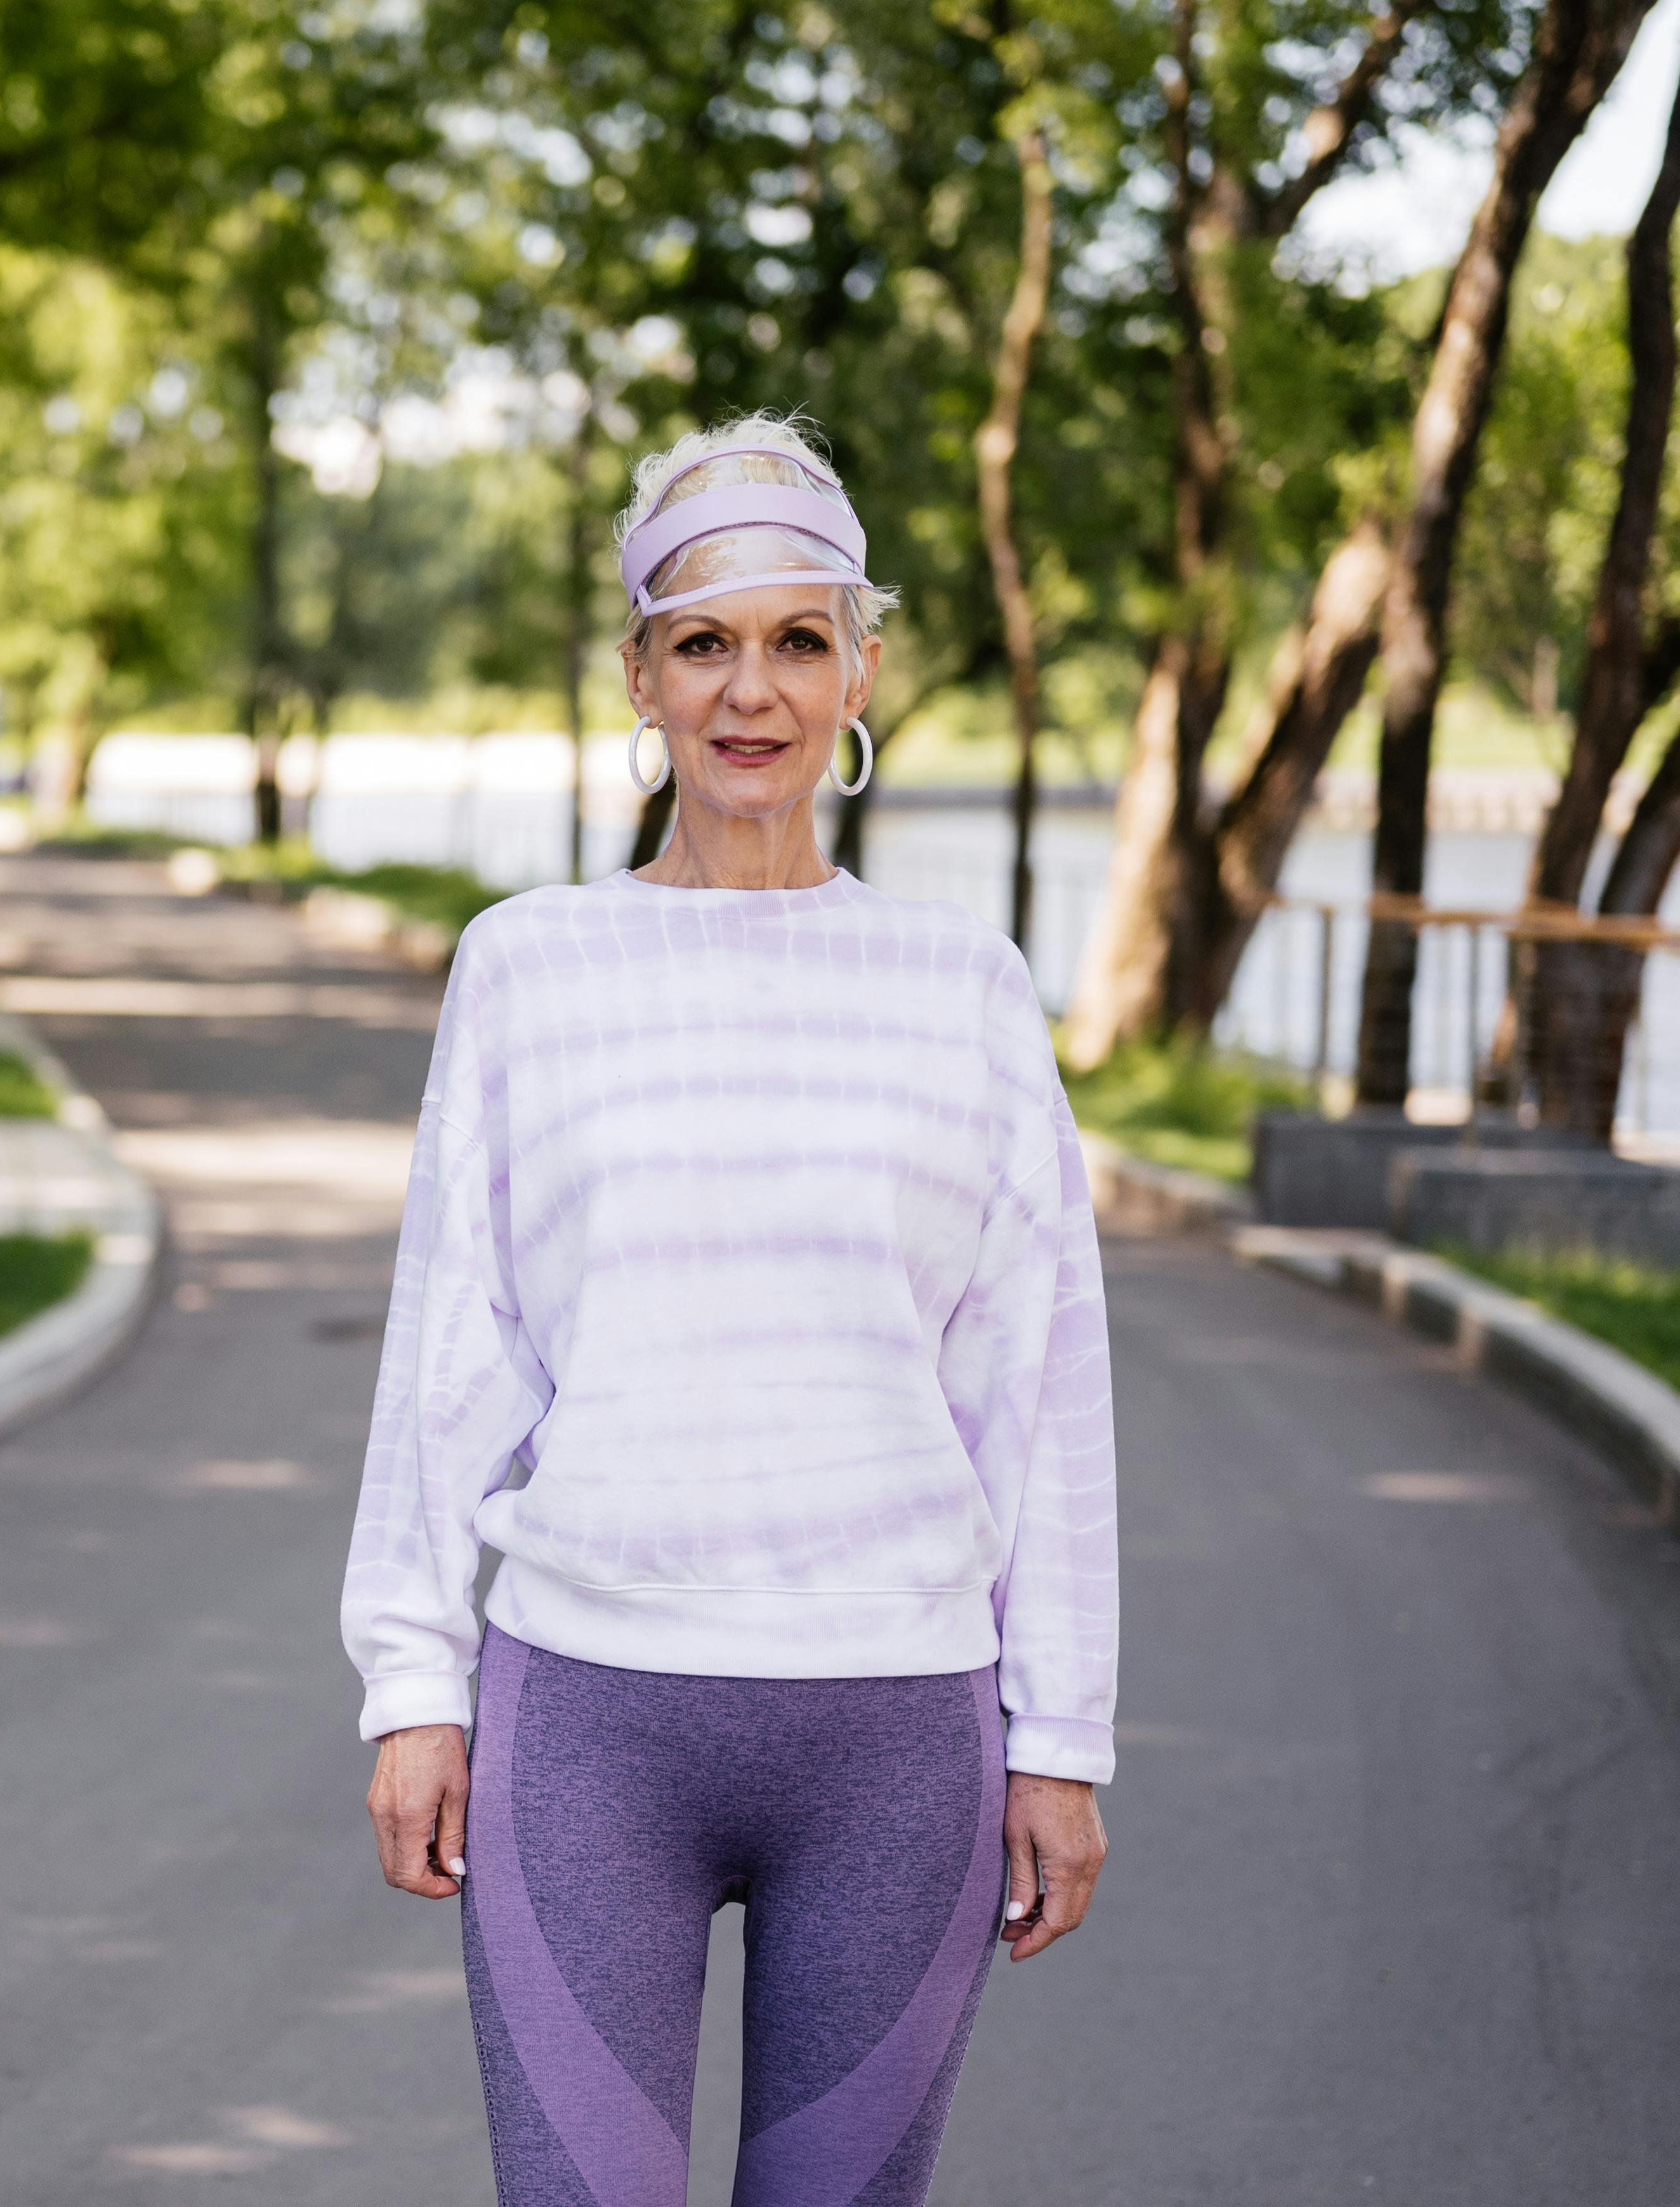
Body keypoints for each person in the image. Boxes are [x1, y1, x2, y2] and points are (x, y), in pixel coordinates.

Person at [339, 413, 1117, 2207]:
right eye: (702, 642)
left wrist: (1060, 1738)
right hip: (586, 1725)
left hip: (900, 1735)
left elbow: (1039, 1379)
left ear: (859, 664)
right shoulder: (530, 963)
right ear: (639, 672)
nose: (747, 693)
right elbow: (450, 1339)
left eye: (793, 640)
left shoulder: (965, 988)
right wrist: (410, 1677)